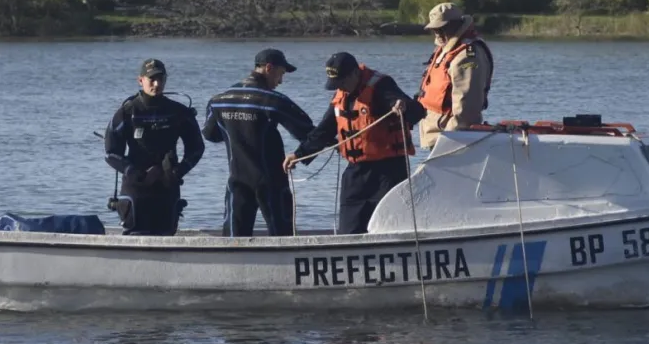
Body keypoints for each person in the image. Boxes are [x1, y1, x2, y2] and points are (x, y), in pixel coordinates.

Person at [283, 52, 426, 235]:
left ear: (354, 74)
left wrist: (404, 107)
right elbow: (325, 129)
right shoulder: (342, 94)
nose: (340, 87)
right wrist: (299, 154)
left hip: (388, 172)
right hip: (356, 172)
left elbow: (417, 112)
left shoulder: (381, 86)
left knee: (387, 227)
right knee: (348, 229)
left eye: (342, 82)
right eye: (336, 84)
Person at [203, 49, 314, 237]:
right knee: (283, 240)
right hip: (271, 183)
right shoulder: (273, 100)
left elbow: (210, 134)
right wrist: (302, 153)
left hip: (237, 181)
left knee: (233, 242)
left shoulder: (219, 100)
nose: (280, 81)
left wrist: (238, 131)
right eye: (281, 74)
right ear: (269, 68)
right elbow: (309, 134)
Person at [104, 59, 205, 236]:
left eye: (161, 79)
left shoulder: (178, 111)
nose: (157, 84)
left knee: (166, 236)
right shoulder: (128, 112)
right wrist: (131, 171)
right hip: (136, 185)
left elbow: (196, 148)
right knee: (135, 235)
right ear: (140, 80)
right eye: (152, 79)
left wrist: (178, 171)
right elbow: (111, 152)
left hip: (167, 185)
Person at [416, 2, 494, 149]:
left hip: (453, 139)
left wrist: (450, 139)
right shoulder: (445, 49)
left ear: (457, 24)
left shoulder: (468, 55)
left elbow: (467, 108)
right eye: (435, 29)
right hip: (436, 136)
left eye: (442, 28)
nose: (438, 33)